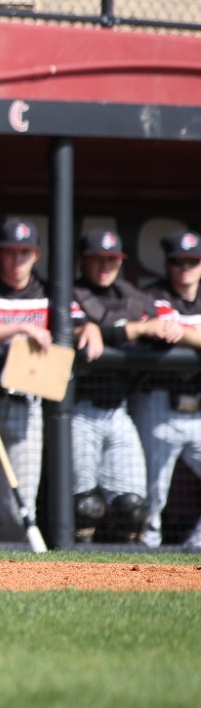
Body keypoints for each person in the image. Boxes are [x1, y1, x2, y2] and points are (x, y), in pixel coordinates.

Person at [0, 217, 95, 546]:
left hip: (26, 400)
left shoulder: (48, 292)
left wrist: (90, 328)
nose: (17, 259)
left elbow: (76, 324)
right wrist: (21, 328)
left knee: (19, 500)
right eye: (10, 252)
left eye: (24, 252)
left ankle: (11, 566)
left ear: (36, 255)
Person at [70, 229, 158, 543]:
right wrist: (92, 328)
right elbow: (68, 327)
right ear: (82, 260)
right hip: (78, 409)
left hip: (119, 410)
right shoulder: (69, 293)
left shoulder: (133, 296)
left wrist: (129, 330)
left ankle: (128, 569)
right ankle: (71, 567)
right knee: (85, 506)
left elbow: (161, 326)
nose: (105, 266)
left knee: (134, 507)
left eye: (112, 259)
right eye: (97, 259)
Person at [137, 230, 201, 549]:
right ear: (167, 264)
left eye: (192, 261)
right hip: (159, 402)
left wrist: (185, 332)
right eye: (178, 261)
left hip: (197, 407)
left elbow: (179, 333)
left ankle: (197, 546)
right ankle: (146, 549)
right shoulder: (153, 295)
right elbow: (163, 330)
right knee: (153, 490)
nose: (185, 268)